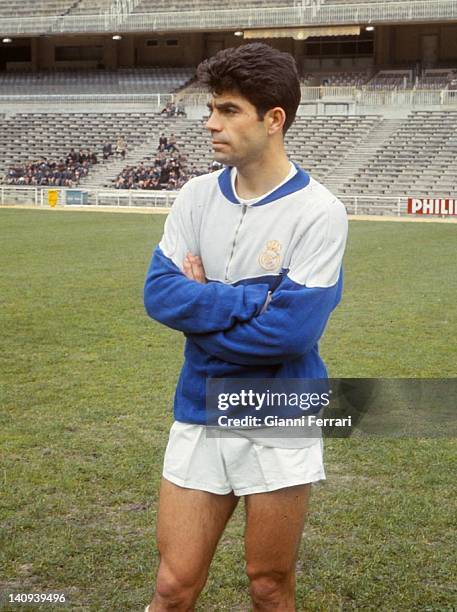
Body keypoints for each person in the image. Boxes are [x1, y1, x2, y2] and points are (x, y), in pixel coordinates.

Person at [143, 42, 348, 611]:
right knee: (172, 585)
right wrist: (248, 300)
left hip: (279, 409)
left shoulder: (318, 211)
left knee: (269, 584)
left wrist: (202, 302)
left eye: (228, 110)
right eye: (212, 108)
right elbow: (159, 294)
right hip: (198, 406)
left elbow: (289, 335)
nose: (210, 123)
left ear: (273, 119)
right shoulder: (194, 196)